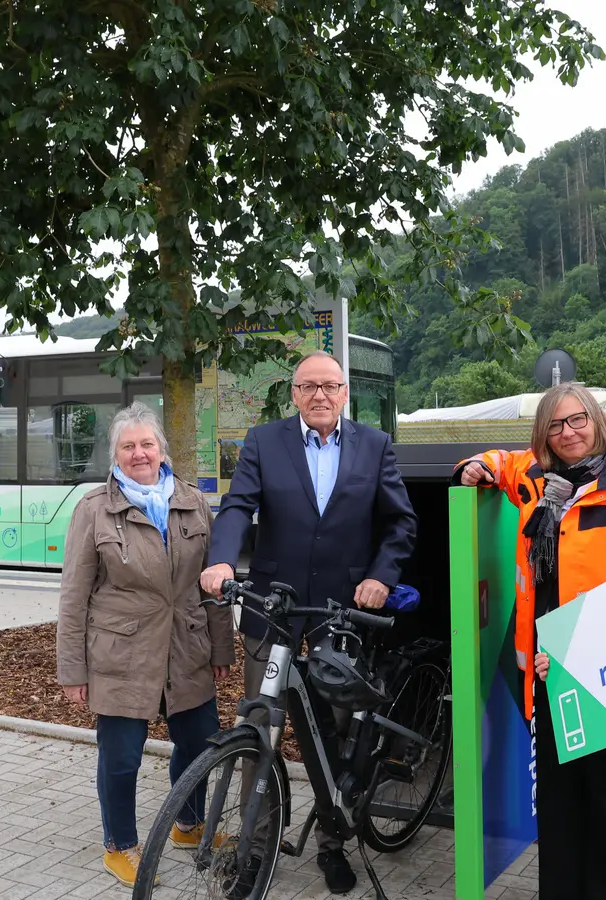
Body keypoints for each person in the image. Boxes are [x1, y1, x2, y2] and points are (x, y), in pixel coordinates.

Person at [200, 350, 418, 894]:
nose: (320, 395)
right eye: (308, 386)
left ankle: (332, 842)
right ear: (293, 394)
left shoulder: (375, 445)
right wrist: (222, 558)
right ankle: (255, 848)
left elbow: (400, 523)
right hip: (272, 608)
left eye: (330, 386)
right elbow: (236, 506)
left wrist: (381, 578)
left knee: (336, 732)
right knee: (260, 726)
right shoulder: (263, 441)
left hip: (342, 611)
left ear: (346, 393)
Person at [453, 382, 606, 900]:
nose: (567, 433)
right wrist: (471, 467)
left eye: (577, 421)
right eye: (554, 424)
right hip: (549, 671)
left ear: (597, 420)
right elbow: (496, 460)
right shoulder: (534, 475)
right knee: (560, 802)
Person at [56, 402, 235, 887]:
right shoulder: (94, 509)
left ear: (162, 449)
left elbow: (213, 585)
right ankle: (119, 846)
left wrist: (223, 649)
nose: (140, 453)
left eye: (147, 444)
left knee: (198, 745)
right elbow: (74, 596)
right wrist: (73, 670)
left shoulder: (193, 502)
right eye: (129, 446)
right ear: (116, 454)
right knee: (121, 757)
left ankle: (188, 823)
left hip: (188, 647)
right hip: (121, 653)